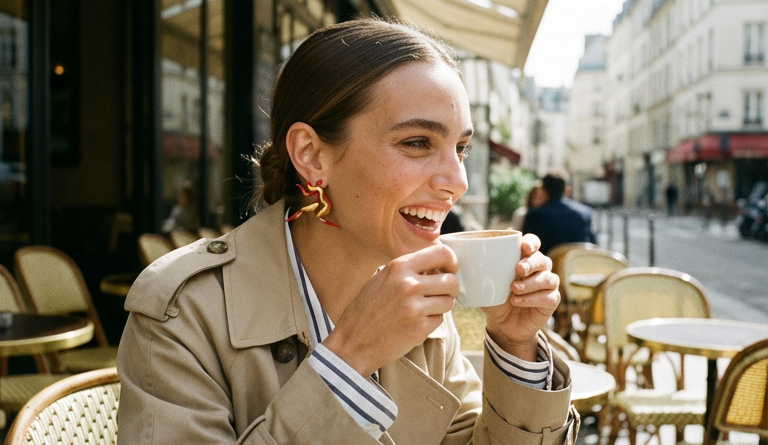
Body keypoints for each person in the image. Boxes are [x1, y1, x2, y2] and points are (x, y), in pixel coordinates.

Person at [117, 18, 578, 445]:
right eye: (417, 142)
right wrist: (349, 360)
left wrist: (516, 348)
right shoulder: (182, 311)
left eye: (460, 148)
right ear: (312, 155)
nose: (458, 182)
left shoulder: (423, 304)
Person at [522, 170, 597, 255]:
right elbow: (593, 244)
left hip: (548, 266)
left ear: (543, 190)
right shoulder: (585, 213)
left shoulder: (534, 215)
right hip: (578, 265)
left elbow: (526, 248)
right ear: (565, 189)